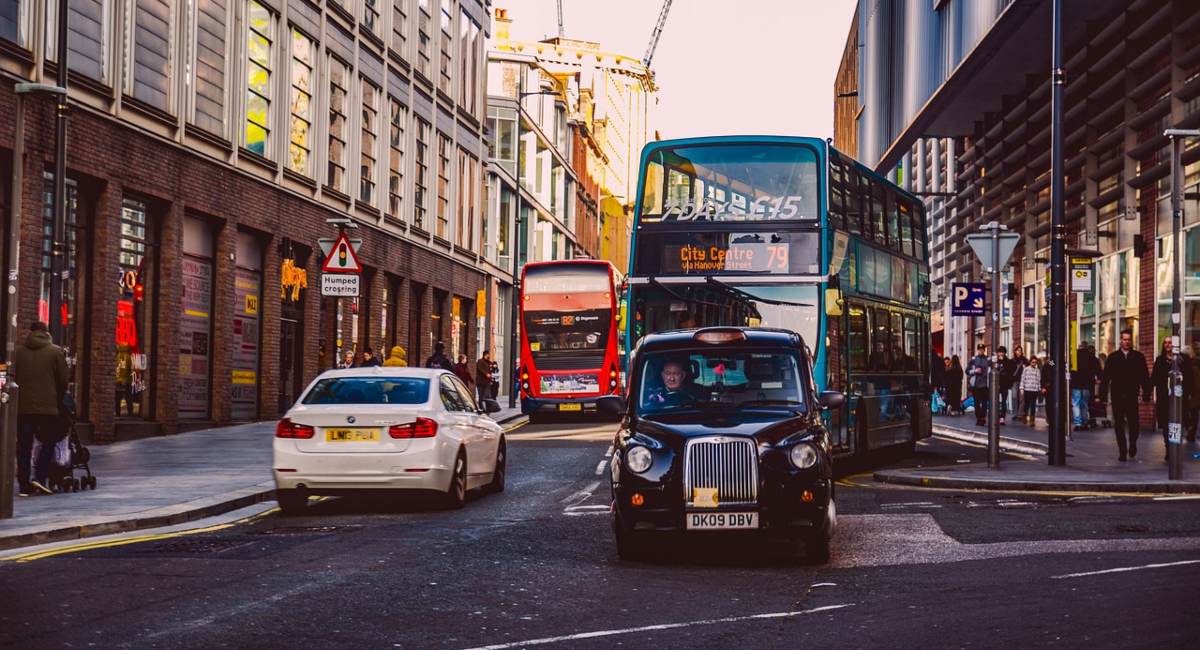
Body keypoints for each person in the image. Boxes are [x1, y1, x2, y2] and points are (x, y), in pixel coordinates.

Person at [13, 321, 69, 496]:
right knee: (48, 442)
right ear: (47, 333)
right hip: (48, 409)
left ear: (30, 332)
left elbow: (7, 374)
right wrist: (58, 399)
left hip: (23, 408)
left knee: (23, 445)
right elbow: (63, 381)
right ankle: (40, 477)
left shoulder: (17, 352)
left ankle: (23, 485)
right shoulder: (55, 352)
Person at [1101, 329, 1149, 462]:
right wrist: (1103, 396)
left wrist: (1146, 393)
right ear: (1120, 341)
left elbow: (1144, 376)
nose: (1127, 342)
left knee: (1134, 423)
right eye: (1124, 339)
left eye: (1129, 340)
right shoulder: (1113, 357)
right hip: (1117, 396)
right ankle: (1122, 450)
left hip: (1132, 395)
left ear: (1131, 341)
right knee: (1119, 424)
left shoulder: (1138, 357)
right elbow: (1105, 378)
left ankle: (1133, 443)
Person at [1150, 337, 1192, 461]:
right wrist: (1148, 391)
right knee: (1166, 425)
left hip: (1179, 398)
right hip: (1164, 398)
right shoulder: (1160, 360)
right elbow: (1154, 378)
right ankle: (1169, 449)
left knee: (1178, 424)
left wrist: (1189, 393)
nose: (1168, 345)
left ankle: (1176, 448)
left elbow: (1189, 378)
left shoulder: (1182, 360)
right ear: (1163, 345)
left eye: (1170, 343)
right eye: (1166, 343)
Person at [1071, 343, 1101, 431]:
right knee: (1084, 404)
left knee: (1076, 404)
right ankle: (1084, 422)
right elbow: (1098, 369)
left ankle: (1078, 423)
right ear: (1087, 348)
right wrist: (1099, 378)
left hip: (1076, 384)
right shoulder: (1091, 357)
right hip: (1087, 385)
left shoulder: (1074, 356)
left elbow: (1067, 366)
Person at [966, 344, 990, 426]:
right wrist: (974, 371)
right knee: (976, 403)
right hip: (976, 385)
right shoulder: (973, 360)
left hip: (985, 385)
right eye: (979, 349)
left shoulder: (988, 359)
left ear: (984, 350)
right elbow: (967, 371)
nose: (981, 351)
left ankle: (983, 418)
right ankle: (978, 418)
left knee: (984, 403)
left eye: (982, 349)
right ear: (977, 350)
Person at [1020, 357, 1043, 425]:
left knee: (1033, 405)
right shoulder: (1026, 369)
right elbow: (1023, 379)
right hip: (1027, 389)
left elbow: (1039, 380)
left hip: (1034, 390)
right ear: (1030, 362)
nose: (1034, 363)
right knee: (1026, 405)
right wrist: (1022, 388)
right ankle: (1024, 416)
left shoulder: (1037, 370)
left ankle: (1032, 420)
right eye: (1033, 362)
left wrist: (1039, 389)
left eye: (1035, 362)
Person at [995, 346, 1015, 425]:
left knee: (1003, 401)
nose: (1000, 354)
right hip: (996, 384)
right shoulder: (995, 361)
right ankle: (996, 416)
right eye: (999, 352)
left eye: (1002, 352)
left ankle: (1002, 417)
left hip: (1004, 384)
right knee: (995, 401)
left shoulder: (1007, 361)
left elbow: (1011, 370)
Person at [1010, 347, 1029, 421]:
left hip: (1022, 381)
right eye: (1018, 350)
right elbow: (1010, 371)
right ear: (1015, 351)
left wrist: (1025, 367)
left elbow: (1029, 366)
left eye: (1020, 351)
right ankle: (1015, 413)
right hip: (1014, 381)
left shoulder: (1024, 360)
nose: (1019, 352)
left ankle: (1019, 414)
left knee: (1021, 398)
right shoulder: (1012, 360)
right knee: (1014, 397)